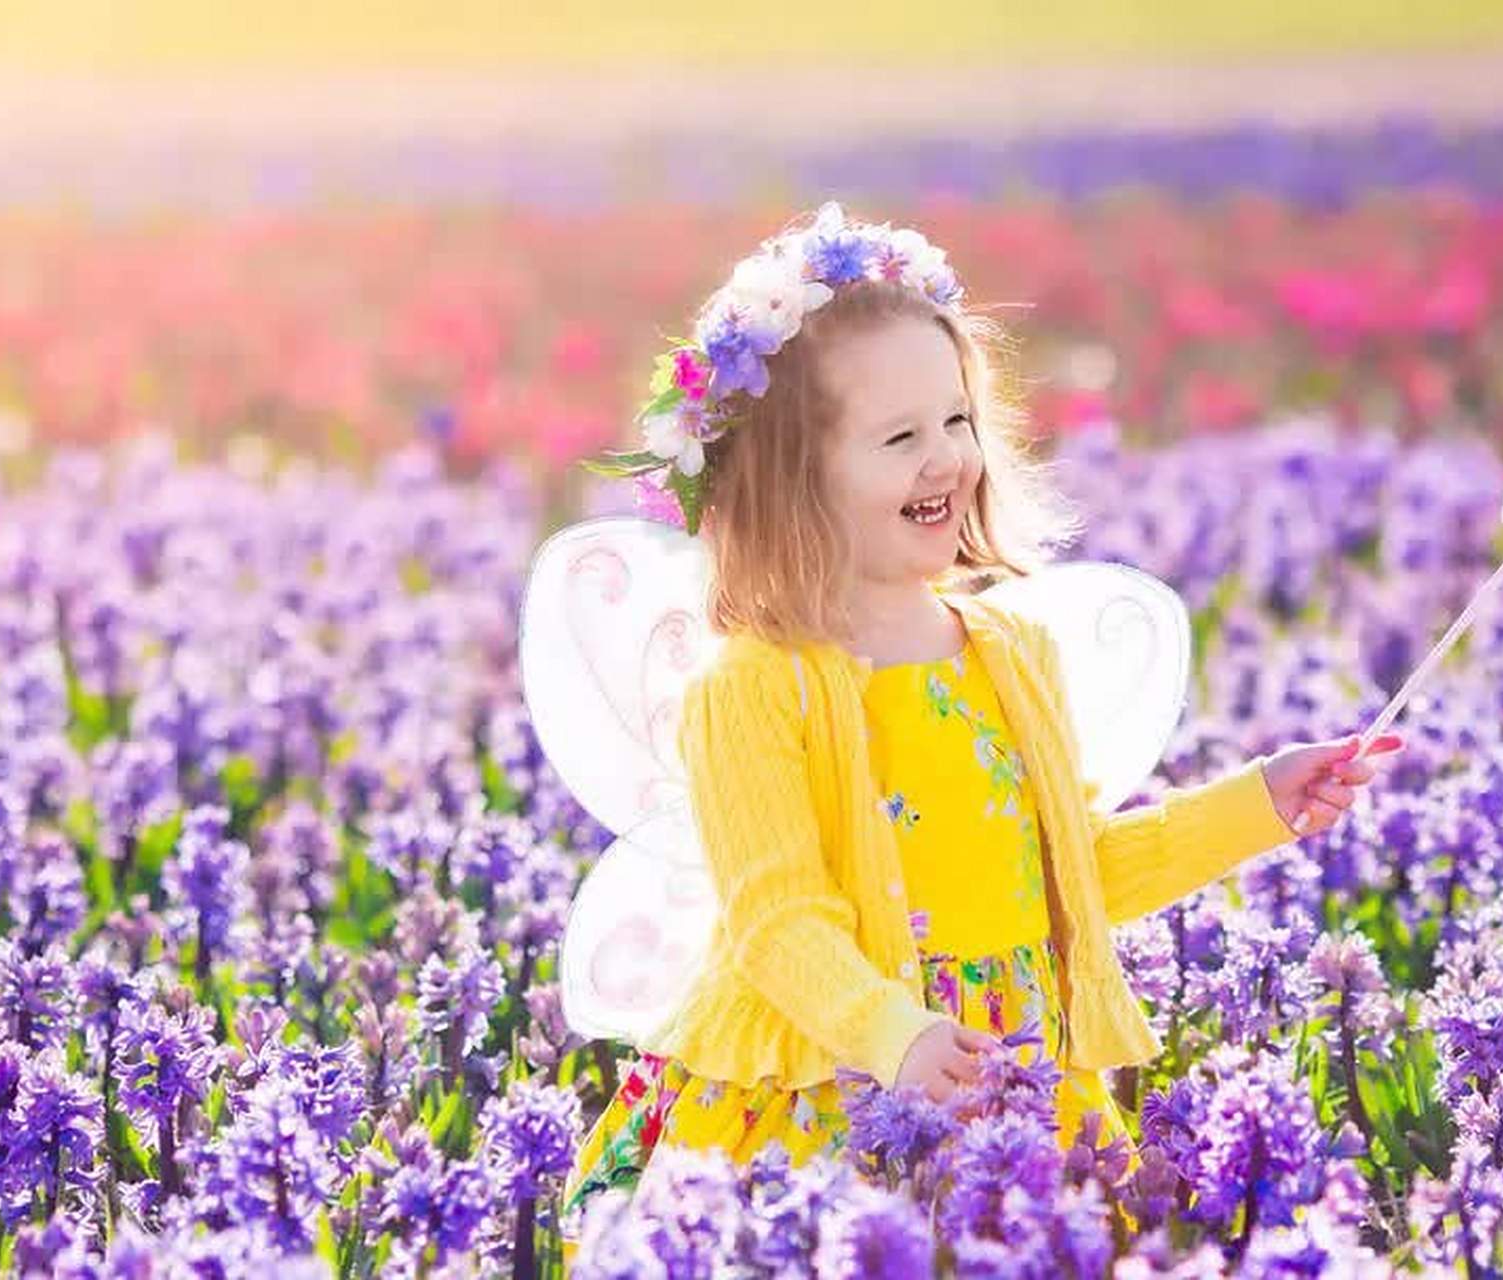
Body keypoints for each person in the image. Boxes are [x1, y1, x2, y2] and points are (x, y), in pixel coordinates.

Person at [560, 203, 1399, 1233]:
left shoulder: (1008, 654)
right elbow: (778, 921)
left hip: (1008, 1078)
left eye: (957, 420)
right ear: (792, 481)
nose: (946, 458)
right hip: (837, 1082)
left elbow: (1071, 874)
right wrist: (891, 1030)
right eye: (899, 436)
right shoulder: (758, 683)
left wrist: (1256, 803)